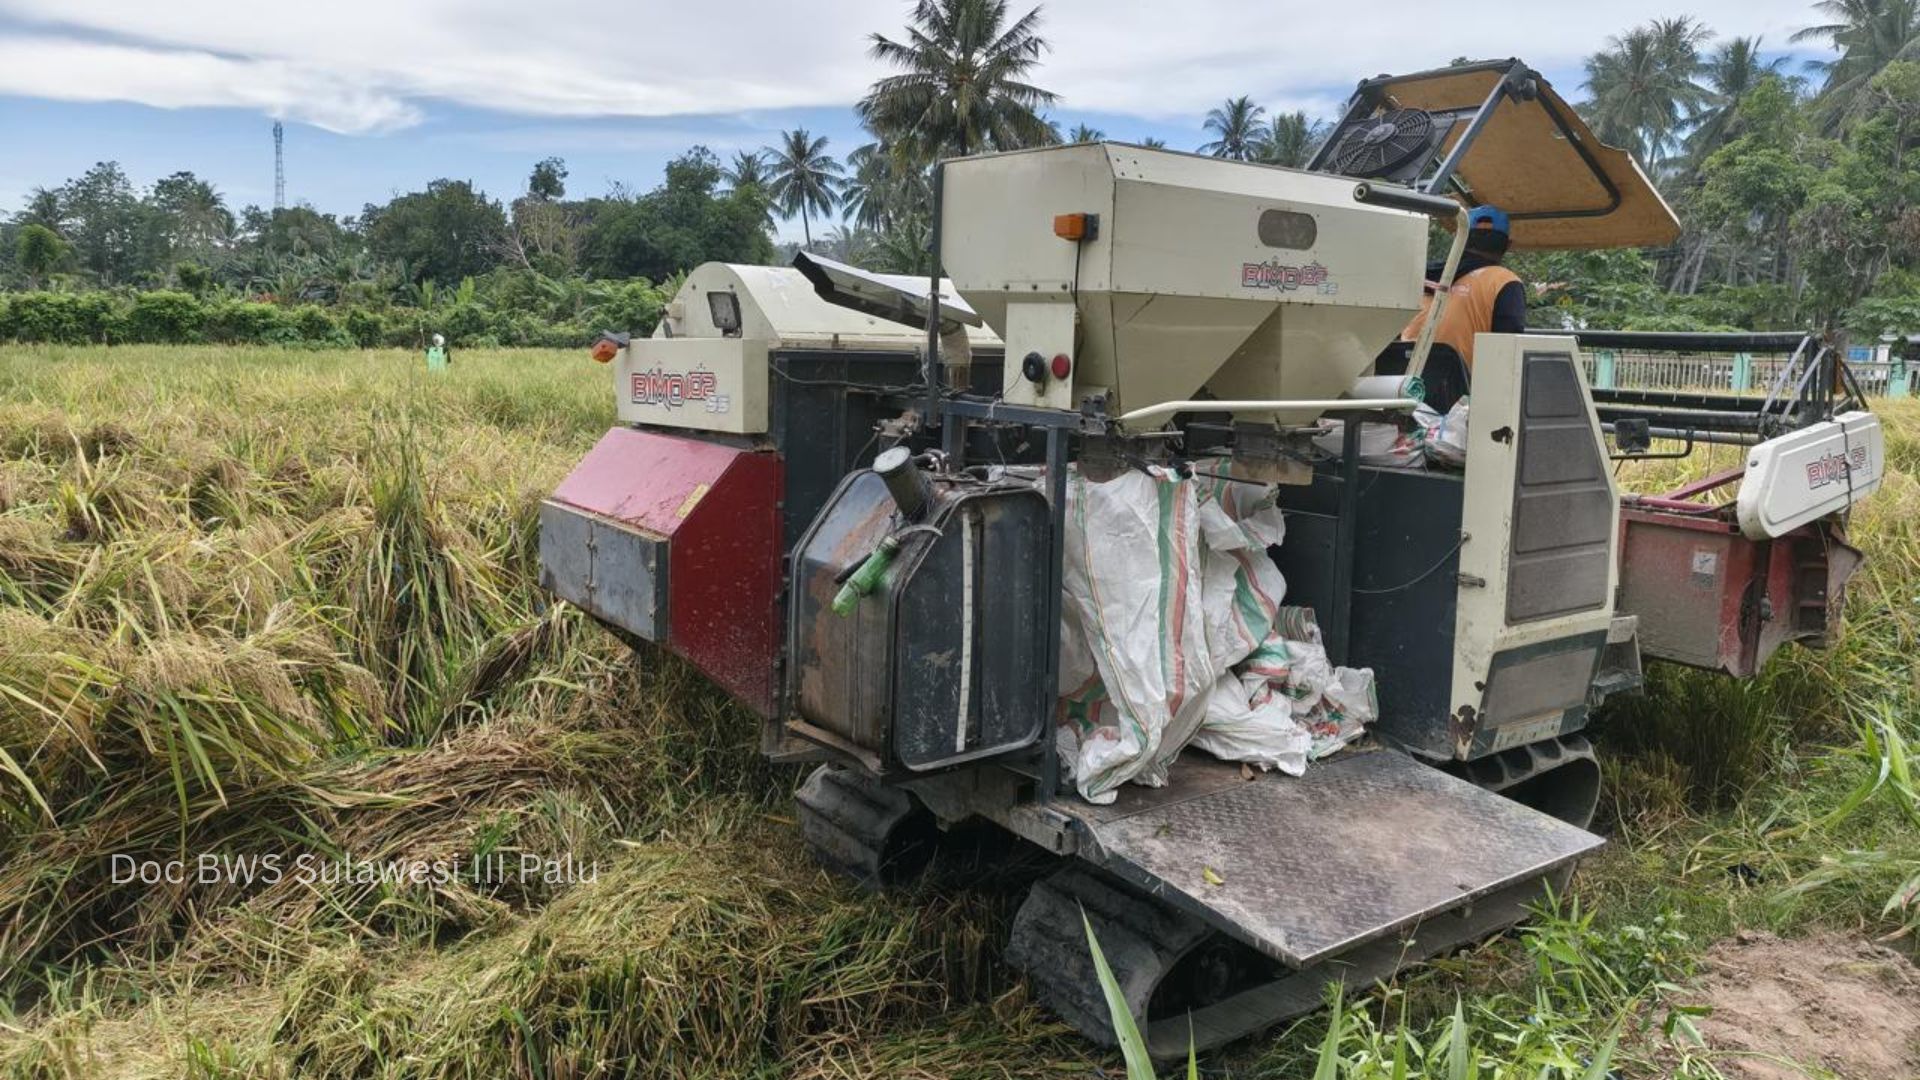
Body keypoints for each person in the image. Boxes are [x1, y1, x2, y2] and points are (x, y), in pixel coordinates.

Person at [1397, 203, 1526, 375]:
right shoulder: (1506, 282)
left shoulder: (1425, 276)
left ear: (1461, 239)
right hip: (1460, 394)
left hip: (1400, 382)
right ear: (1508, 245)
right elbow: (1509, 349)